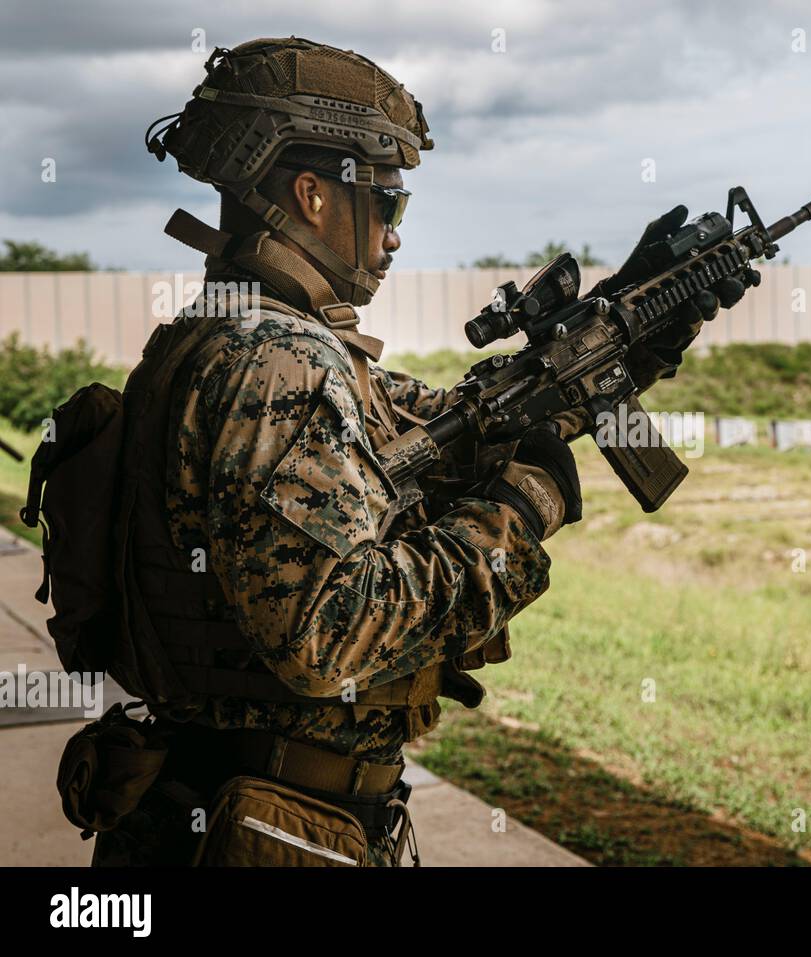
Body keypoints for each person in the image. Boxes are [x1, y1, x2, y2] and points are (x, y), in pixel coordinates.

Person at [90, 36, 747, 867]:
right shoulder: (278, 365)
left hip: (239, 809)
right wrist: (514, 516)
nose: (397, 235)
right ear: (313, 195)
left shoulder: (231, 339)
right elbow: (332, 633)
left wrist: (633, 323)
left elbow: (469, 420)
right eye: (390, 204)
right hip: (266, 830)